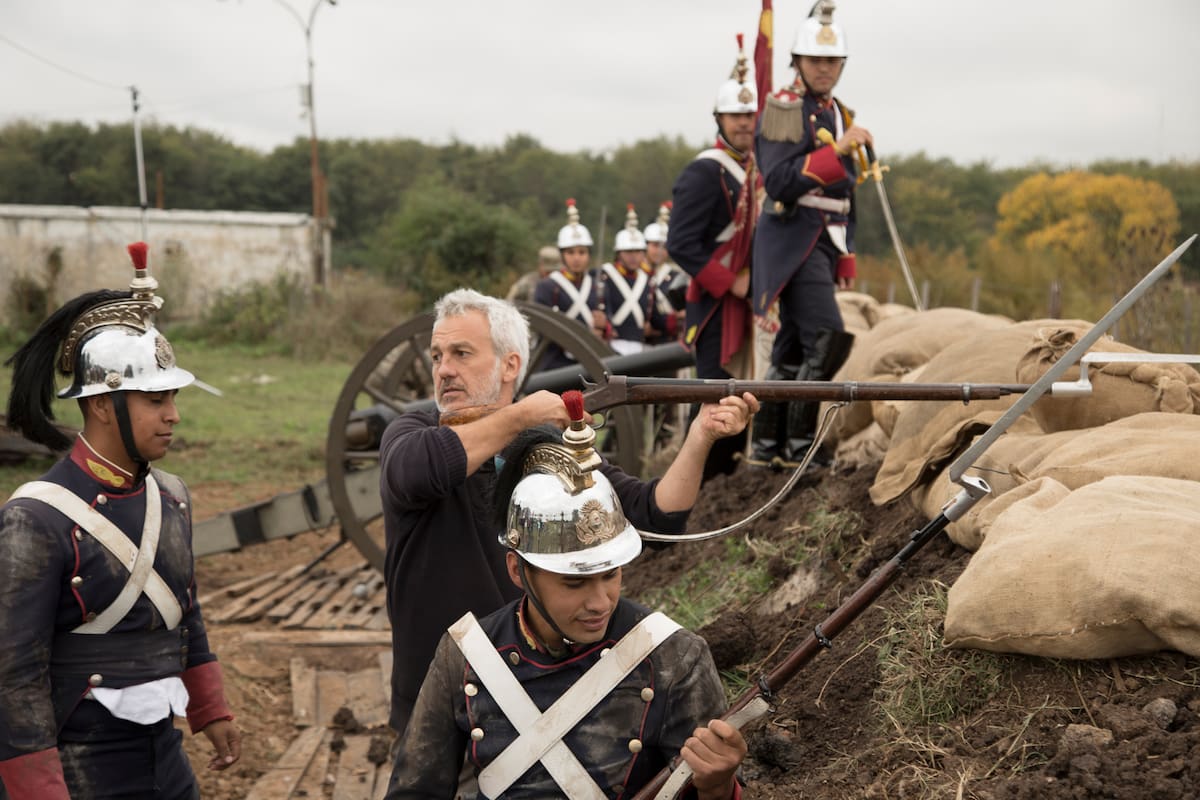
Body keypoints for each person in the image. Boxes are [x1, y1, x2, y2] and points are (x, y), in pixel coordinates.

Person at [377, 288, 757, 737]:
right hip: (438, 708)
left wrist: (701, 436)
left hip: (539, 706)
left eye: (461, 353)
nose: (444, 369)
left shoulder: (548, 445)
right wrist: (519, 417)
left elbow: (654, 515)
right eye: (438, 355)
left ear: (511, 364)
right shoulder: (409, 435)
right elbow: (421, 469)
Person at [385, 412, 748, 798]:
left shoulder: (676, 657)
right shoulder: (464, 656)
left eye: (610, 574)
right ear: (517, 570)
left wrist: (718, 786)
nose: (599, 602)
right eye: (573, 582)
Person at [0, 242, 240, 799]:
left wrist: (209, 707)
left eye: (172, 397)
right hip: (77, 758)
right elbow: (13, 672)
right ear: (104, 405)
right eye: (155, 399)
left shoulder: (172, 496)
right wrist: (37, 788)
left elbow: (184, 615)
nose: (173, 414)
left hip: (163, 749)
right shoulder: (34, 517)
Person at [750, 0, 864, 468]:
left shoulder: (840, 111)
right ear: (798, 61)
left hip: (824, 240)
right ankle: (802, 451)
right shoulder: (784, 108)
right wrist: (837, 151)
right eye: (816, 60)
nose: (824, 68)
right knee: (827, 335)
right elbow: (777, 181)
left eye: (832, 60)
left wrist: (847, 253)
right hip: (792, 239)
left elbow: (848, 193)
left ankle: (767, 449)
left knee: (795, 343)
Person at [666, 35, 760, 479]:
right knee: (715, 402)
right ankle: (697, 489)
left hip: (758, 303)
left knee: (749, 397)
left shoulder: (764, 171)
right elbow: (681, 244)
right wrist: (733, 282)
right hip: (717, 306)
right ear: (719, 118)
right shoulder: (704, 171)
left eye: (751, 114)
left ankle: (729, 485)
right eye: (736, 114)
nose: (745, 122)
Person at [532, 198, 607, 370]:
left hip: (590, 362)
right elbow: (543, 328)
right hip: (556, 363)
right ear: (562, 255)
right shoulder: (547, 286)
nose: (577, 258)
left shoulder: (598, 285)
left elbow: (609, 322)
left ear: (588, 255)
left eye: (582, 252)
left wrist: (603, 326)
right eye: (571, 252)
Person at [596, 205, 676, 355]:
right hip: (611, 344)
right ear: (619, 253)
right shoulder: (605, 275)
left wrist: (679, 320)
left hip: (639, 345)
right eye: (628, 252)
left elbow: (658, 319)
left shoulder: (647, 280)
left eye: (638, 252)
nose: (634, 256)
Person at [643, 201, 685, 345]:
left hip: (668, 340)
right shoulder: (638, 275)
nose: (659, 251)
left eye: (665, 246)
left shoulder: (675, 276)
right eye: (655, 245)